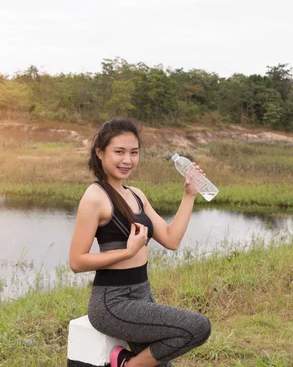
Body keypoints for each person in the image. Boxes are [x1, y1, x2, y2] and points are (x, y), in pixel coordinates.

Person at [69, 118, 211, 367]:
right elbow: (77, 261)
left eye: (134, 153)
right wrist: (128, 251)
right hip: (113, 302)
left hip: (142, 294)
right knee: (197, 327)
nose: (127, 160)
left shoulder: (136, 194)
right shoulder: (95, 197)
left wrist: (189, 195)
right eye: (119, 152)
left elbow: (171, 239)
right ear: (100, 153)